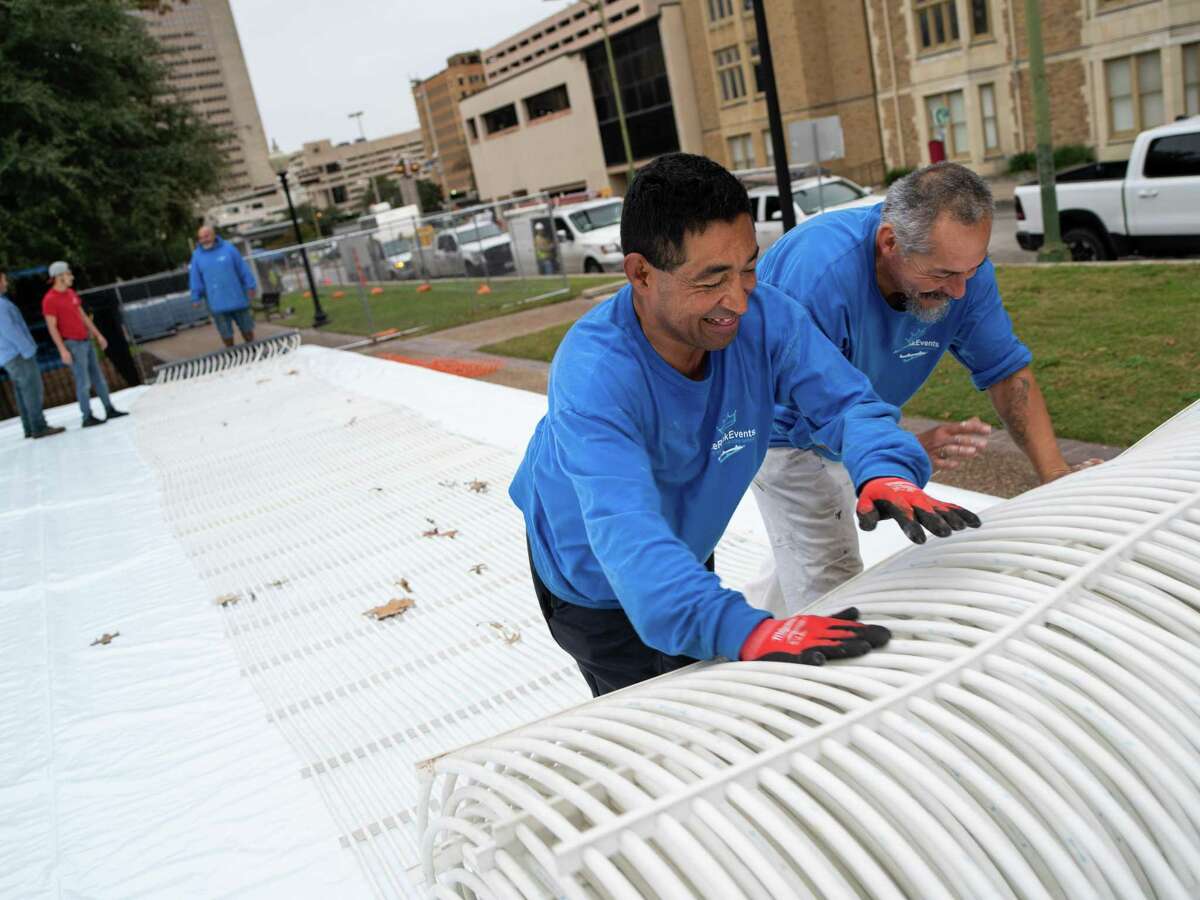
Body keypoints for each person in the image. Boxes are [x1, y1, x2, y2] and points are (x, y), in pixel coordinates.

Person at [509, 153, 979, 697]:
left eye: (748, 268)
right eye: (711, 280)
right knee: (652, 717)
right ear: (641, 273)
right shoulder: (595, 375)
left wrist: (885, 468)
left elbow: (846, 402)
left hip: (681, 547)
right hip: (595, 580)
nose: (737, 300)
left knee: (698, 674)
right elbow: (627, 531)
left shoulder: (765, 316)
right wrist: (745, 631)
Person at [752, 162, 1099, 614]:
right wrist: (892, 454)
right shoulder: (817, 273)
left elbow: (1006, 371)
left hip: (857, 425)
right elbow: (815, 403)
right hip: (781, 429)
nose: (959, 291)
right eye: (942, 274)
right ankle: (806, 654)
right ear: (890, 242)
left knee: (799, 549)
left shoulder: (964, 275)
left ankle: (749, 633)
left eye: (972, 269)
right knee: (830, 578)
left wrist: (1054, 474)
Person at [42, 261, 128, 428]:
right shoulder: (49, 300)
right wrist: (62, 349)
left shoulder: (70, 293)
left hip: (85, 341)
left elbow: (82, 316)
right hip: (73, 344)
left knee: (98, 378)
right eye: (68, 274)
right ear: (59, 277)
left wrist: (98, 335)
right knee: (83, 381)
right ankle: (86, 416)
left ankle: (109, 408)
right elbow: (52, 327)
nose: (71, 277)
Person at [1, 268, 64, 439]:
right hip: (18, 354)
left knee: (22, 391)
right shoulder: (1, 305)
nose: (6, 283)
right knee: (32, 389)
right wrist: (28, 350)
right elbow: (9, 330)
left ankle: (29, 427)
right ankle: (38, 426)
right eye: (3, 280)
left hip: (8, 355)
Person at [189, 225, 257, 347]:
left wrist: (250, 286)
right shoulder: (197, 256)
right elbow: (195, 278)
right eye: (201, 238)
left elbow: (242, 268)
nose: (204, 240)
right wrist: (195, 297)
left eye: (206, 236)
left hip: (238, 299)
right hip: (216, 303)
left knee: (247, 328)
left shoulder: (229, 248)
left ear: (213, 235)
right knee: (225, 333)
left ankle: (253, 350)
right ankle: (231, 355)